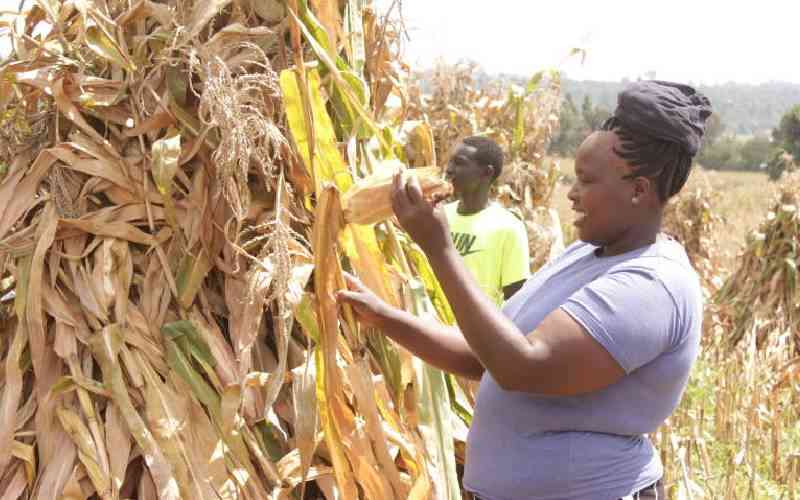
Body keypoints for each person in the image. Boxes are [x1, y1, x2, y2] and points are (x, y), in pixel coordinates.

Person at [337, 80, 711, 499]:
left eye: (586, 181)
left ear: (638, 190)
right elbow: (487, 354)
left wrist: (438, 248)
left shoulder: (650, 285)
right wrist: (382, 316)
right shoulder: (586, 256)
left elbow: (522, 367)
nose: (571, 193)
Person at [443, 136, 530, 304]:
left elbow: (516, 298)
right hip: (429, 326)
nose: (449, 169)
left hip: (472, 330)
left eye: (459, 163)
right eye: (450, 162)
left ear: (487, 173)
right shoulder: (440, 216)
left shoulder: (509, 228)